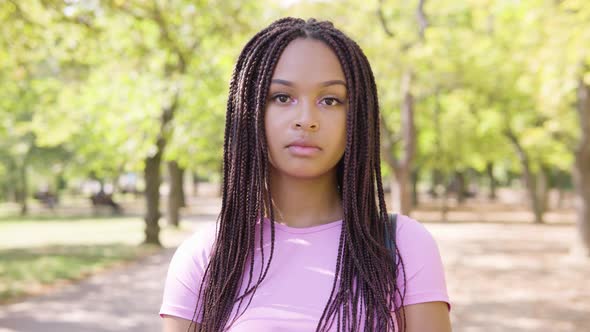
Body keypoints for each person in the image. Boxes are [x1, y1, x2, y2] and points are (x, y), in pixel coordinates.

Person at [159, 17, 451, 332]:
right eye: (282, 98)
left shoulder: (403, 246)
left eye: (330, 100)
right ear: (250, 111)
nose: (306, 119)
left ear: (357, 118)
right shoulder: (206, 258)